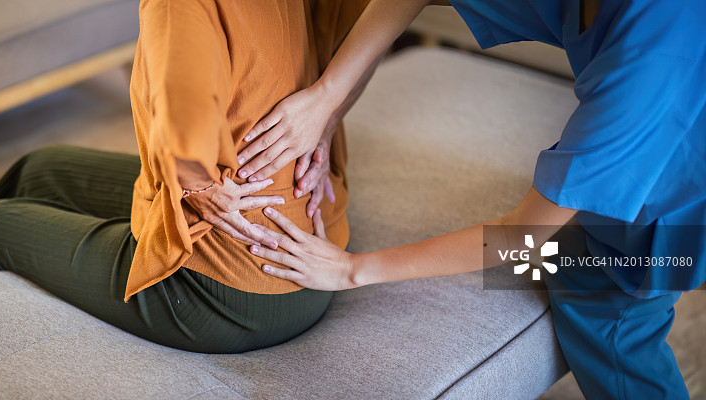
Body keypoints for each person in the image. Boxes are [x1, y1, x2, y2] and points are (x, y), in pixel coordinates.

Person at [241, 0, 706, 397]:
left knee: (606, 301)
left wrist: (351, 270)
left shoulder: (649, 65)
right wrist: (328, 101)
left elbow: (521, 237)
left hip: (682, 212)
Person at [0, 0, 372, 354]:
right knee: (37, 169)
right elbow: (359, 23)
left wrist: (197, 184)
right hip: (318, 242)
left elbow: (184, 112)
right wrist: (329, 110)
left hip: (231, 293)